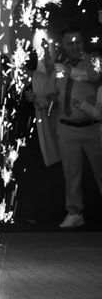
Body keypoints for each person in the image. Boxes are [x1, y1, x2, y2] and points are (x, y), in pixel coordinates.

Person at [45, 25, 102, 228]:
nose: (75, 46)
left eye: (78, 41)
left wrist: (66, 70)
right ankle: (75, 212)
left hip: (93, 127)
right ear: (63, 45)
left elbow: (94, 76)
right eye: (70, 43)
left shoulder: (93, 60)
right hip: (67, 128)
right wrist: (49, 93)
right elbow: (54, 90)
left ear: (83, 42)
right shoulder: (61, 66)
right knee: (71, 173)